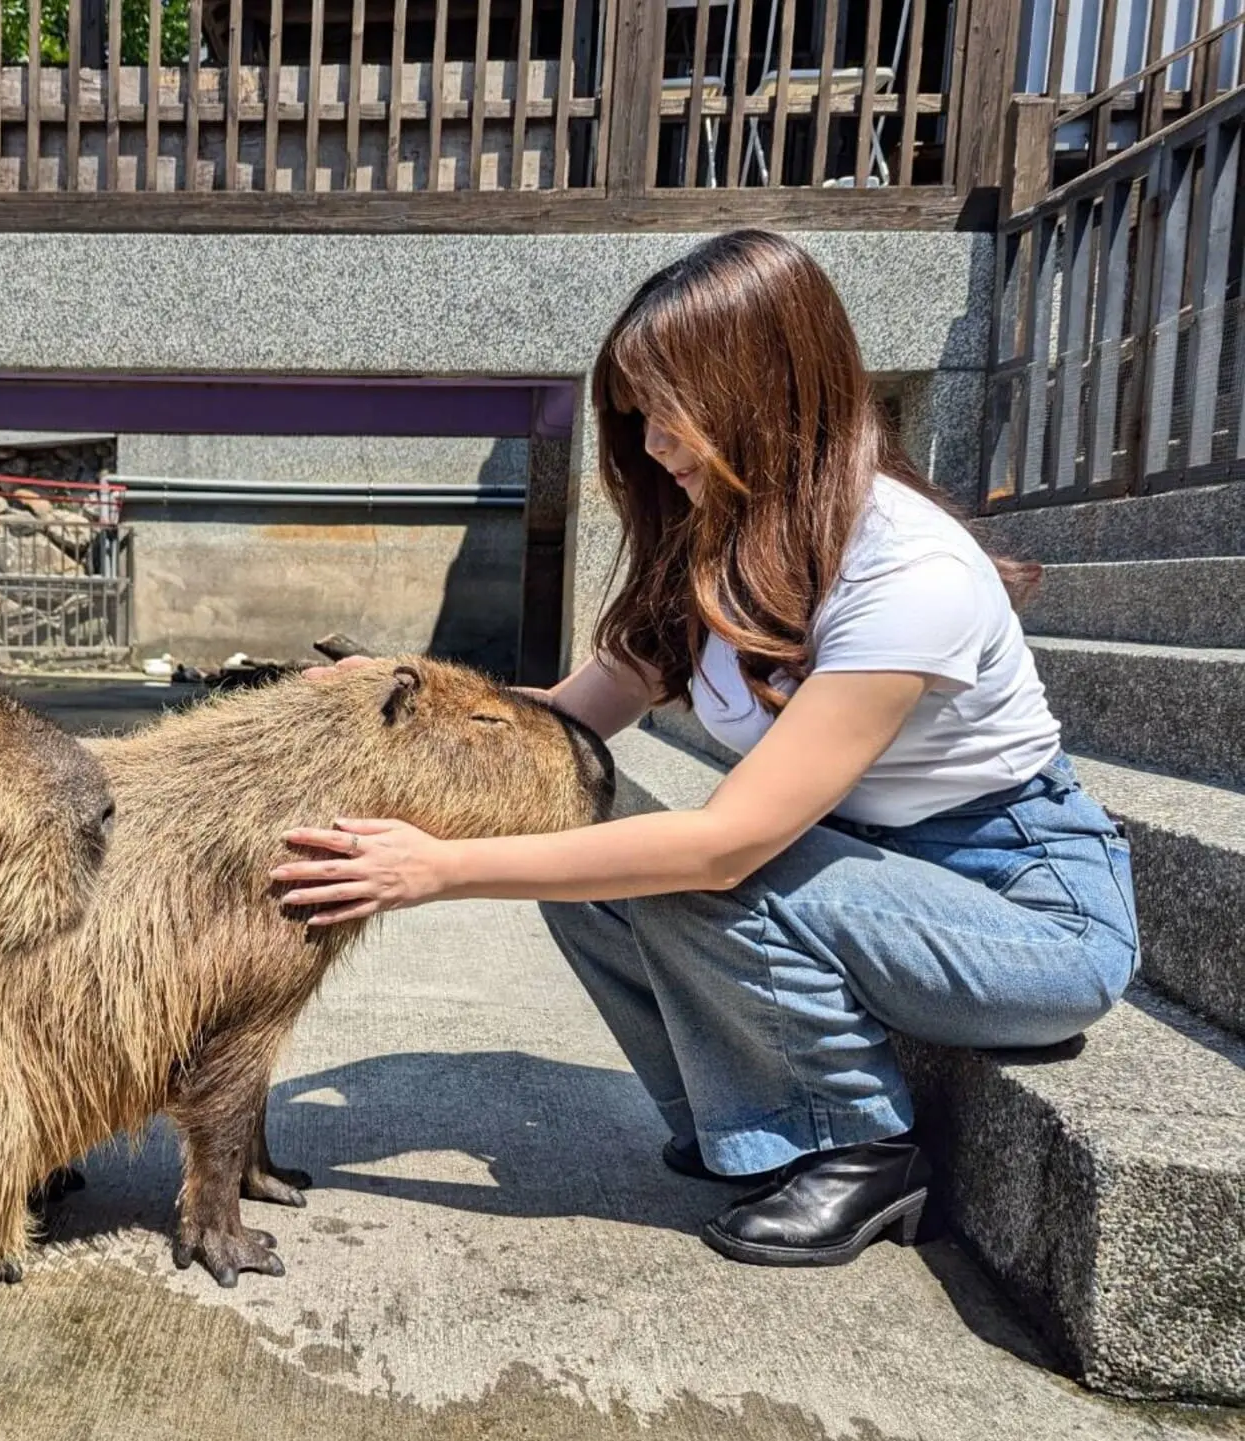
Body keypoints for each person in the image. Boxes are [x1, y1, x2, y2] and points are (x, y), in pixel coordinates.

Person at [270, 229, 1140, 1269]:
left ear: (760, 391)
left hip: (1026, 914)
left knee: (693, 863)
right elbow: (565, 719)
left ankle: (858, 1145)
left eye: (664, 411)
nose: (647, 445)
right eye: (633, 415)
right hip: (871, 875)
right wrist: (396, 707)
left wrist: (438, 870)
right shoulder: (720, 536)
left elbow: (726, 844)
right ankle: (733, 1116)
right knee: (575, 817)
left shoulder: (908, 570)